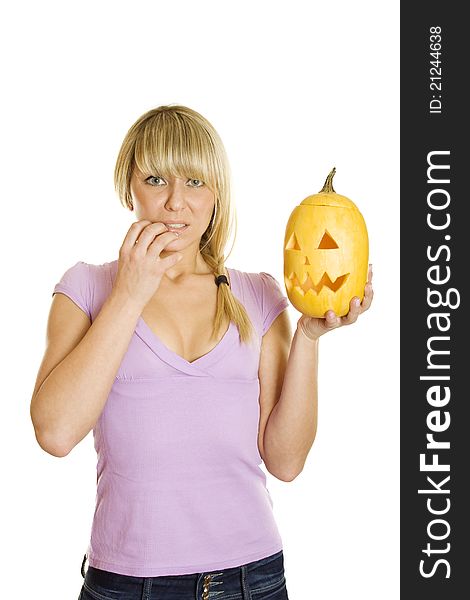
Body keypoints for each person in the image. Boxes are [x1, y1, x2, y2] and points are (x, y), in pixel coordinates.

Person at [30, 104, 373, 600]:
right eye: (155, 179)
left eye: (194, 182)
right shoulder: (86, 288)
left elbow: (286, 461)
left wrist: (309, 336)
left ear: (217, 194)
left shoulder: (258, 295)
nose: (175, 202)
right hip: (128, 584)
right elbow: (56, 433)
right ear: (130, 186)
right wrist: (130, 293)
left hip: (251, 579)